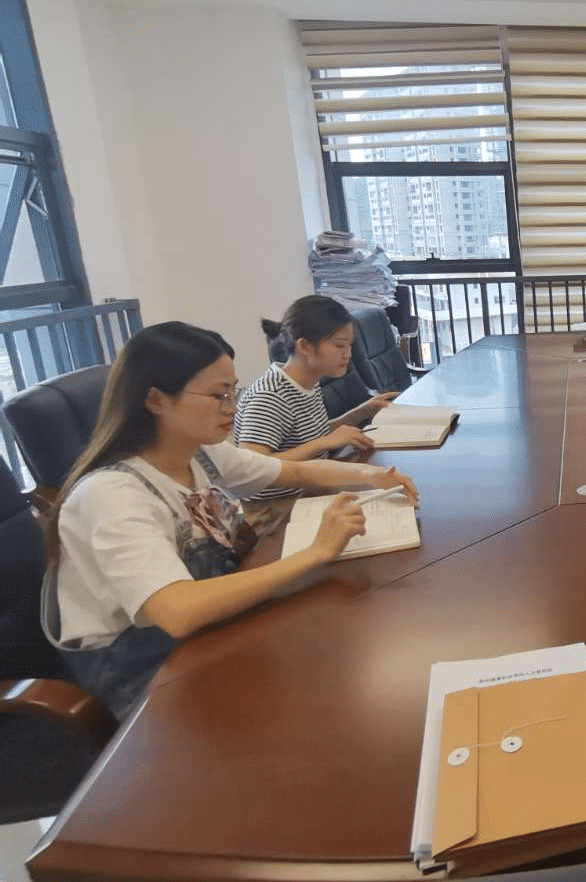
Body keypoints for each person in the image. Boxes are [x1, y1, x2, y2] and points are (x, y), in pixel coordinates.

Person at [42, 321, 419, 719]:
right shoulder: (112, 495)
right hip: (145, 675)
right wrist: (315, 552)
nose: (232, 407)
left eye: (233, 392)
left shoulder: (198, 452)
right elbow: (178, 611)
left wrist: (373, 475)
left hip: (205, 636)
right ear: (156, 400)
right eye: (217, 395)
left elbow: (291, 471)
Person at [236, 295, 397, 502]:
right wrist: (323, 443)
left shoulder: (308, 381)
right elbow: (254, 465)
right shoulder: (269, 396)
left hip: (311, 489)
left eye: (349, 345)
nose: (348, 354)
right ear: (304, 346)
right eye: (339, 345)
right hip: (276, 507)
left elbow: (311, 434)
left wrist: (362, 412)